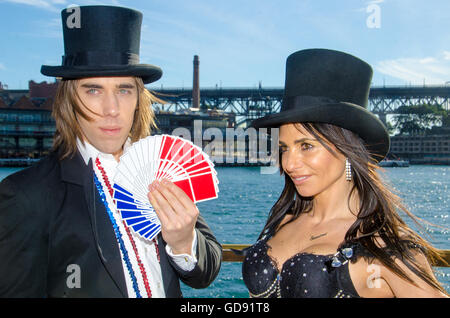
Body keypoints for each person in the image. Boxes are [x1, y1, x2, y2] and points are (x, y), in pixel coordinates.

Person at [0, 5, 221, 298]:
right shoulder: (26, 195)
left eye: (124, 90)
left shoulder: (160, 168)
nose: (112, 109)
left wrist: (183, 242)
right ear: (69, 100)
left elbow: (206, 271)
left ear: (138, 99)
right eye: (93, 90)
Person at [243, 48, 448, 298]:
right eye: (284, 148)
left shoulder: (385, 246)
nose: (289, 164)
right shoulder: (283, 220)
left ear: (347, 150)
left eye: (306, 146)